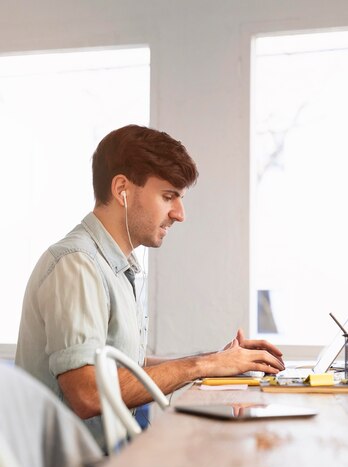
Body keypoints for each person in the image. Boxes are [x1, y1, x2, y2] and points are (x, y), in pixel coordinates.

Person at [16, 125, 284, 445]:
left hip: (106, 465)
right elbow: (87, 393)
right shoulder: (77, 265)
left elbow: (128, 367)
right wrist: (203, 365)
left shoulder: (114, 266)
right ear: (122, 190)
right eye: (168, 196)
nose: (180, 214)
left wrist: (219, 360)